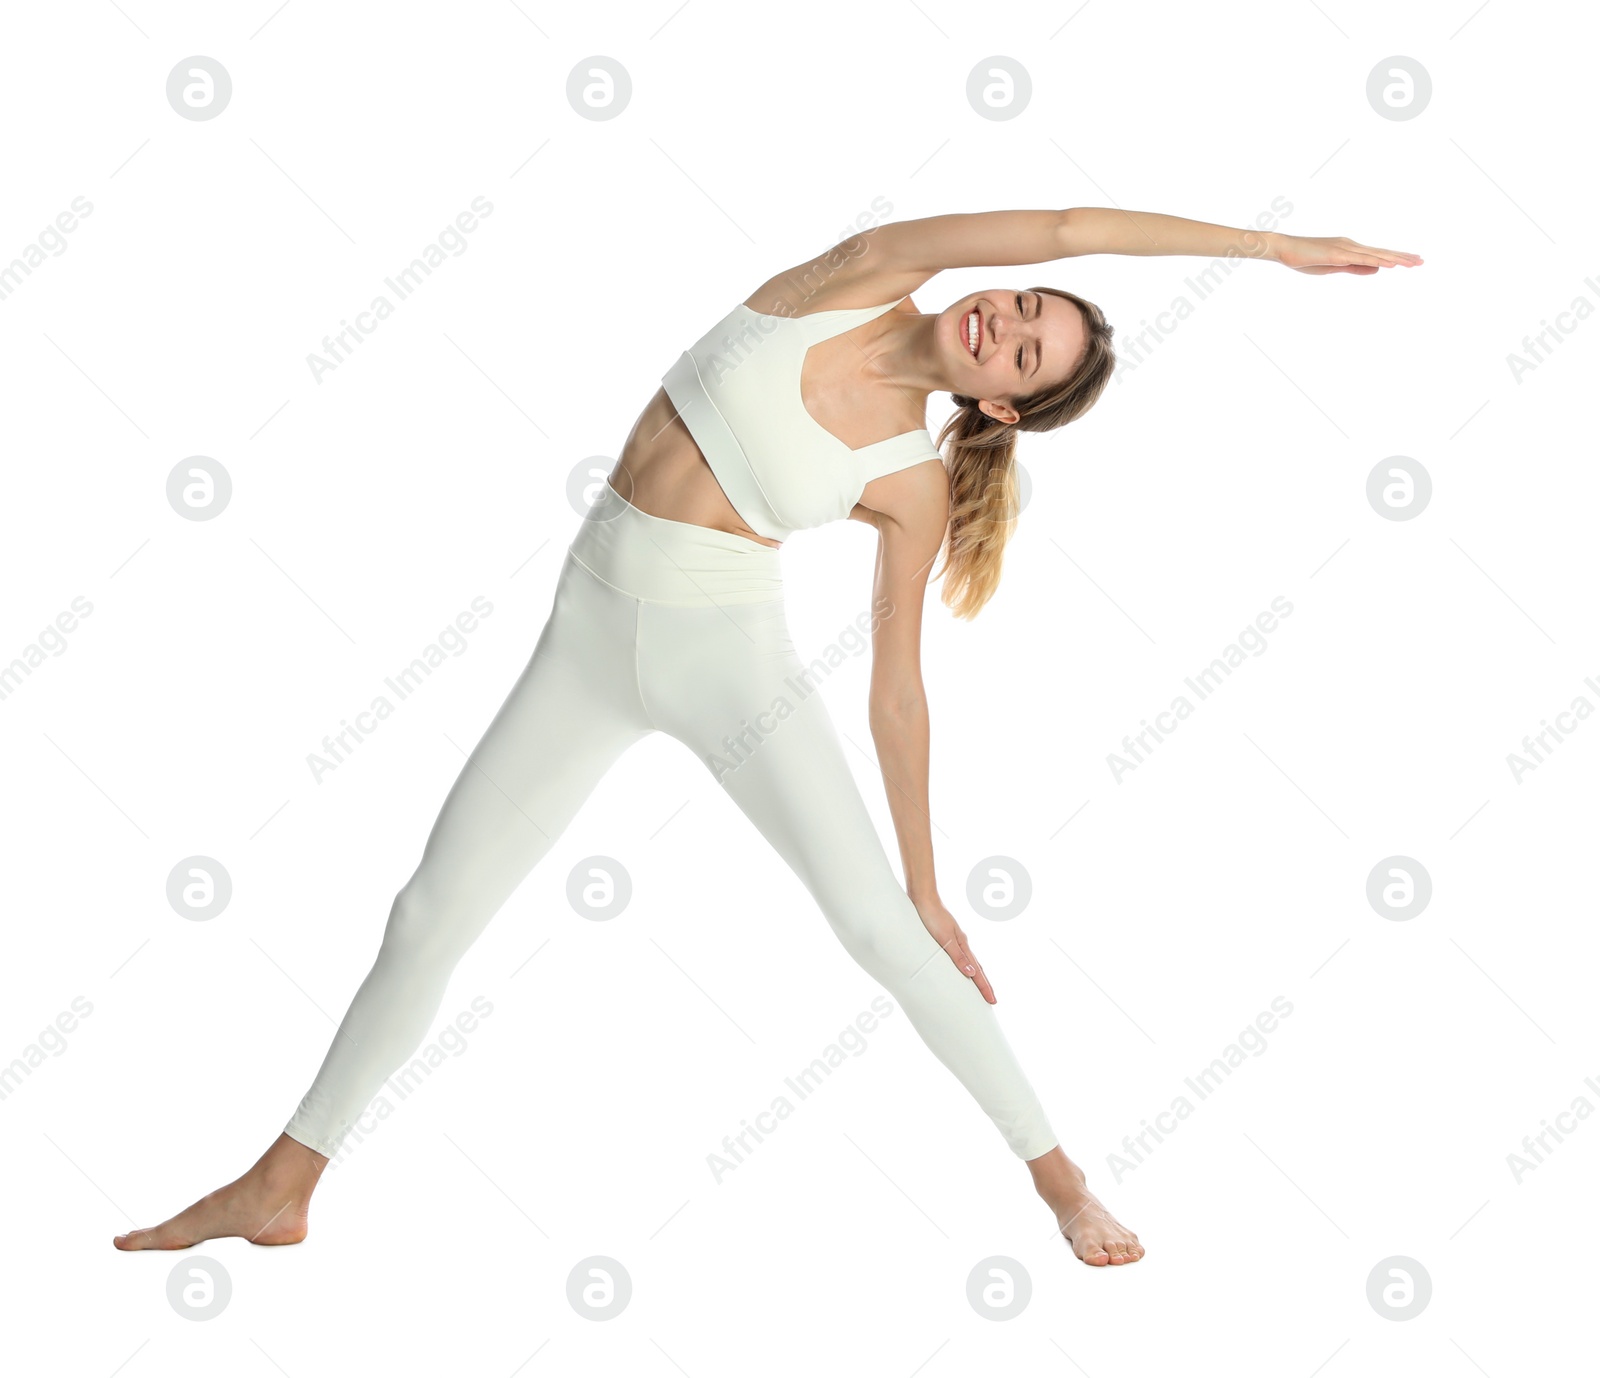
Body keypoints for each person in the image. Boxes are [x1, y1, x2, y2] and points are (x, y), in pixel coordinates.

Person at [113, 207, 1420, 1266]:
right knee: (428, 913)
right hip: (584, 640)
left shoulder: (909, 483)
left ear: (1004, 409)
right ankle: (282, 1183)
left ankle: (1062, 1175)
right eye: (1024, 308)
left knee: (878, 929)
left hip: (725, 659)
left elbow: (898, 694)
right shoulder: (864, 273)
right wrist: (1273, 247)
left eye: (1025, 353)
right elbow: (1069, 222)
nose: (1008, 322)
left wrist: (925, 876)